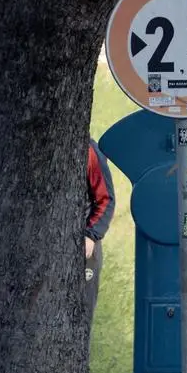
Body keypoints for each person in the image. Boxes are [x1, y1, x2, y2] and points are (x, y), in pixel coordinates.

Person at [85, 137, 116, 325]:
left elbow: (106, 199)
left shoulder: (89, 151)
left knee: (81, 314)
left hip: (85, 247)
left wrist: (91, 235)